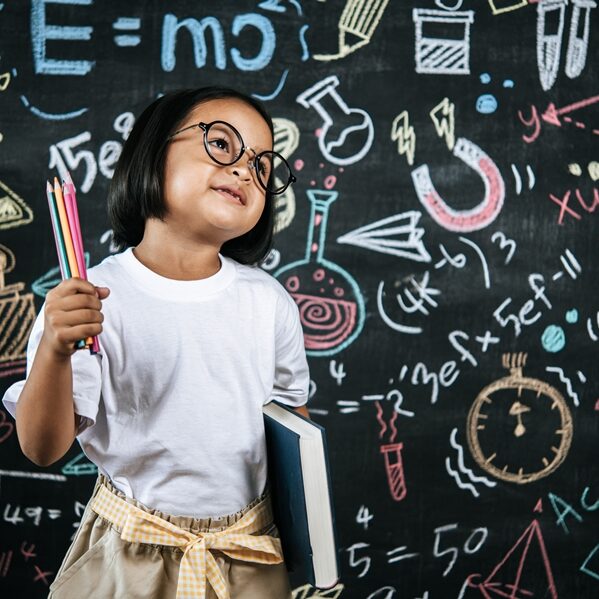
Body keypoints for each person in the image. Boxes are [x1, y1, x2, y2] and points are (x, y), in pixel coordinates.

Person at [2, 87, 310, 599]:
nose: (243, 170)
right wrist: (56, 349)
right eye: (221, 143)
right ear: (151, 150)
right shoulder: (93, 297)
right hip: (130, 550)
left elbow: (293, 429)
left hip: (247, 548)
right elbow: (42, 447)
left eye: (262, 165)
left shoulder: (269, 301)